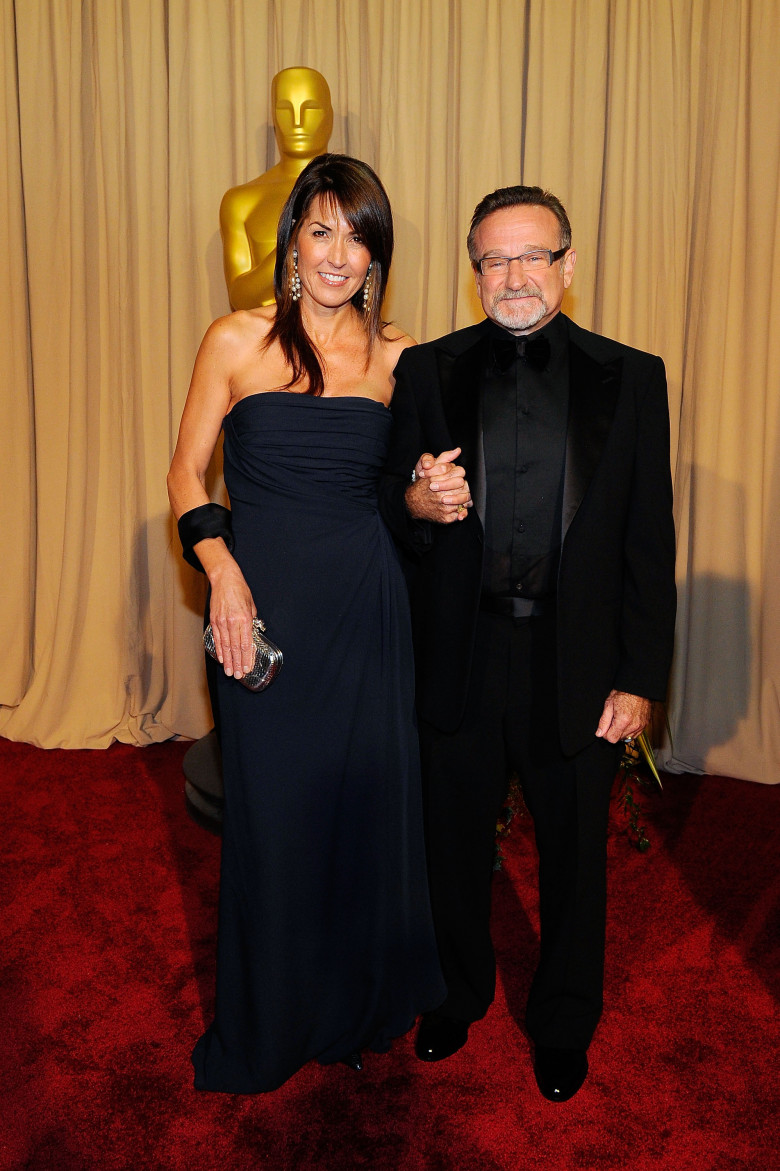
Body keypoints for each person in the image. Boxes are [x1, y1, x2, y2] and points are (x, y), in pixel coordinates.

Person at [167, 154, 469, 1093]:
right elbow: (184, 476)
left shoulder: (400, 356)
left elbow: (403, 496)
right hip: (258, 608)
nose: (340, 254)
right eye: (323, 230)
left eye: (359, 235)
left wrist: (430, 497)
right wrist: (220, 569)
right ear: (292, 241)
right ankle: (272, 1015)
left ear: (378, 254)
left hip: (368, 606)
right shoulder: (236, 339)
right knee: (275, 815)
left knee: (363, 809)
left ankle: (355, 1002)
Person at [379, 185, 676, 1102]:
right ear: (474, 274)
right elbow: (390, 505)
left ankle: (563, 1020)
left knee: (576, 853)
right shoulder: (426, 372)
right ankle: (457, 994)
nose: (513, 275)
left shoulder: (634, 376)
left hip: (576, 661)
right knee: (450, 843)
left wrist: (639, 675)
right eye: (493, 260)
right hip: (461, 654)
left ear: (568, 265)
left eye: (531, 256)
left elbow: (648, 540)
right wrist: (417, 505)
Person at [220, 67, 333, 310]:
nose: (297, 121)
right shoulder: (241, 201)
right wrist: (292, 244)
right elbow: (239, 298)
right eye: (284, 109)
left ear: (329, 116)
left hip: (340, 342)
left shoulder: (355, 195)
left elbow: (370, 291)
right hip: (267, 340)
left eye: (310, 108)